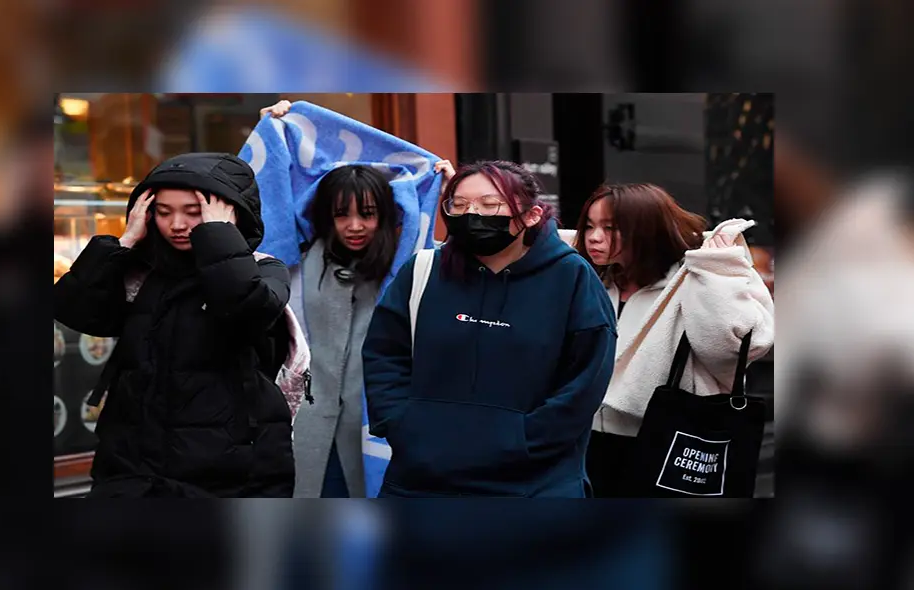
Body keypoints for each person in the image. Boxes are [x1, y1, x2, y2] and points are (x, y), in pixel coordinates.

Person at [362, 160, 617, 498]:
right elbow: (384, 353)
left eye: (489, 204)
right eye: (460, 204)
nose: (472, 214)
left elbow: (585, 380)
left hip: (534, 485)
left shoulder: (571, 278)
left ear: (531, 215)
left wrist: (522, 440)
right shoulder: (424, 271)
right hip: (422, 481)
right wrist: (404, 426)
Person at [53, 152, 300, 498]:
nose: (177, 225)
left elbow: (247, 310)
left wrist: (217, 235)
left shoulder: (263, 269)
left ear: (231, 213)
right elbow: (75, 311)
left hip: (232, 471)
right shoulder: (142, 271)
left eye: (194, 212)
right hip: (132, 469)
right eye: (163, 212)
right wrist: (123, 243)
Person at [259, 99, 454, 498]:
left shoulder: (409, 269)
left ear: (385, 216)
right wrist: (272, 131)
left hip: (381, 430)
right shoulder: (293, 263)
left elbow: (462, 264)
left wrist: (449, 200)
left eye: (367, 213)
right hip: (301, 429)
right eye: (341, 214)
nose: (355, 226)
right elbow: (267, 204)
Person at [566, 183, 776, 497]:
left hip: (672, 440)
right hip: (587, 441)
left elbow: (738, 347)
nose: (594, 237)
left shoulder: (701, 274)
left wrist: (716, 272)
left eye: (610, 228)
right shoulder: (595, 277)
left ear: (647, 229)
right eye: (590, 226)